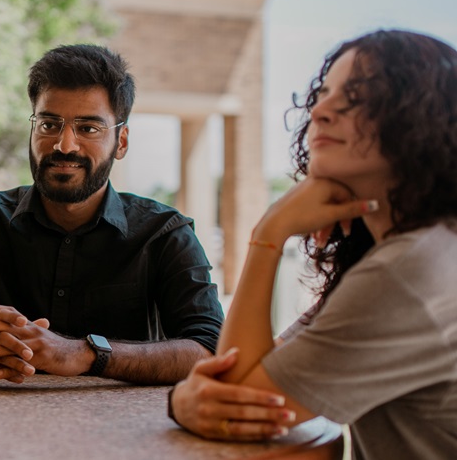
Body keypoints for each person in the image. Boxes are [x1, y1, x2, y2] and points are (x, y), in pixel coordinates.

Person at [169, 29, 457, 459]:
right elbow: (245, 373)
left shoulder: (408, 271)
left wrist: (269, 233)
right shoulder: (424, 249)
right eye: (322, 94)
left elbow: (240, 404)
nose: (321, 110)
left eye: (355, 98)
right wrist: (181, 401)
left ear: (424, 117)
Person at [0, 44, 225, 385]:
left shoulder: (163, 233)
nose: (64, 145)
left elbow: (209, 349)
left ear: (121, 141)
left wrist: (84, 354)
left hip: (128, 434)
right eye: (49, 124)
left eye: (88, 128)